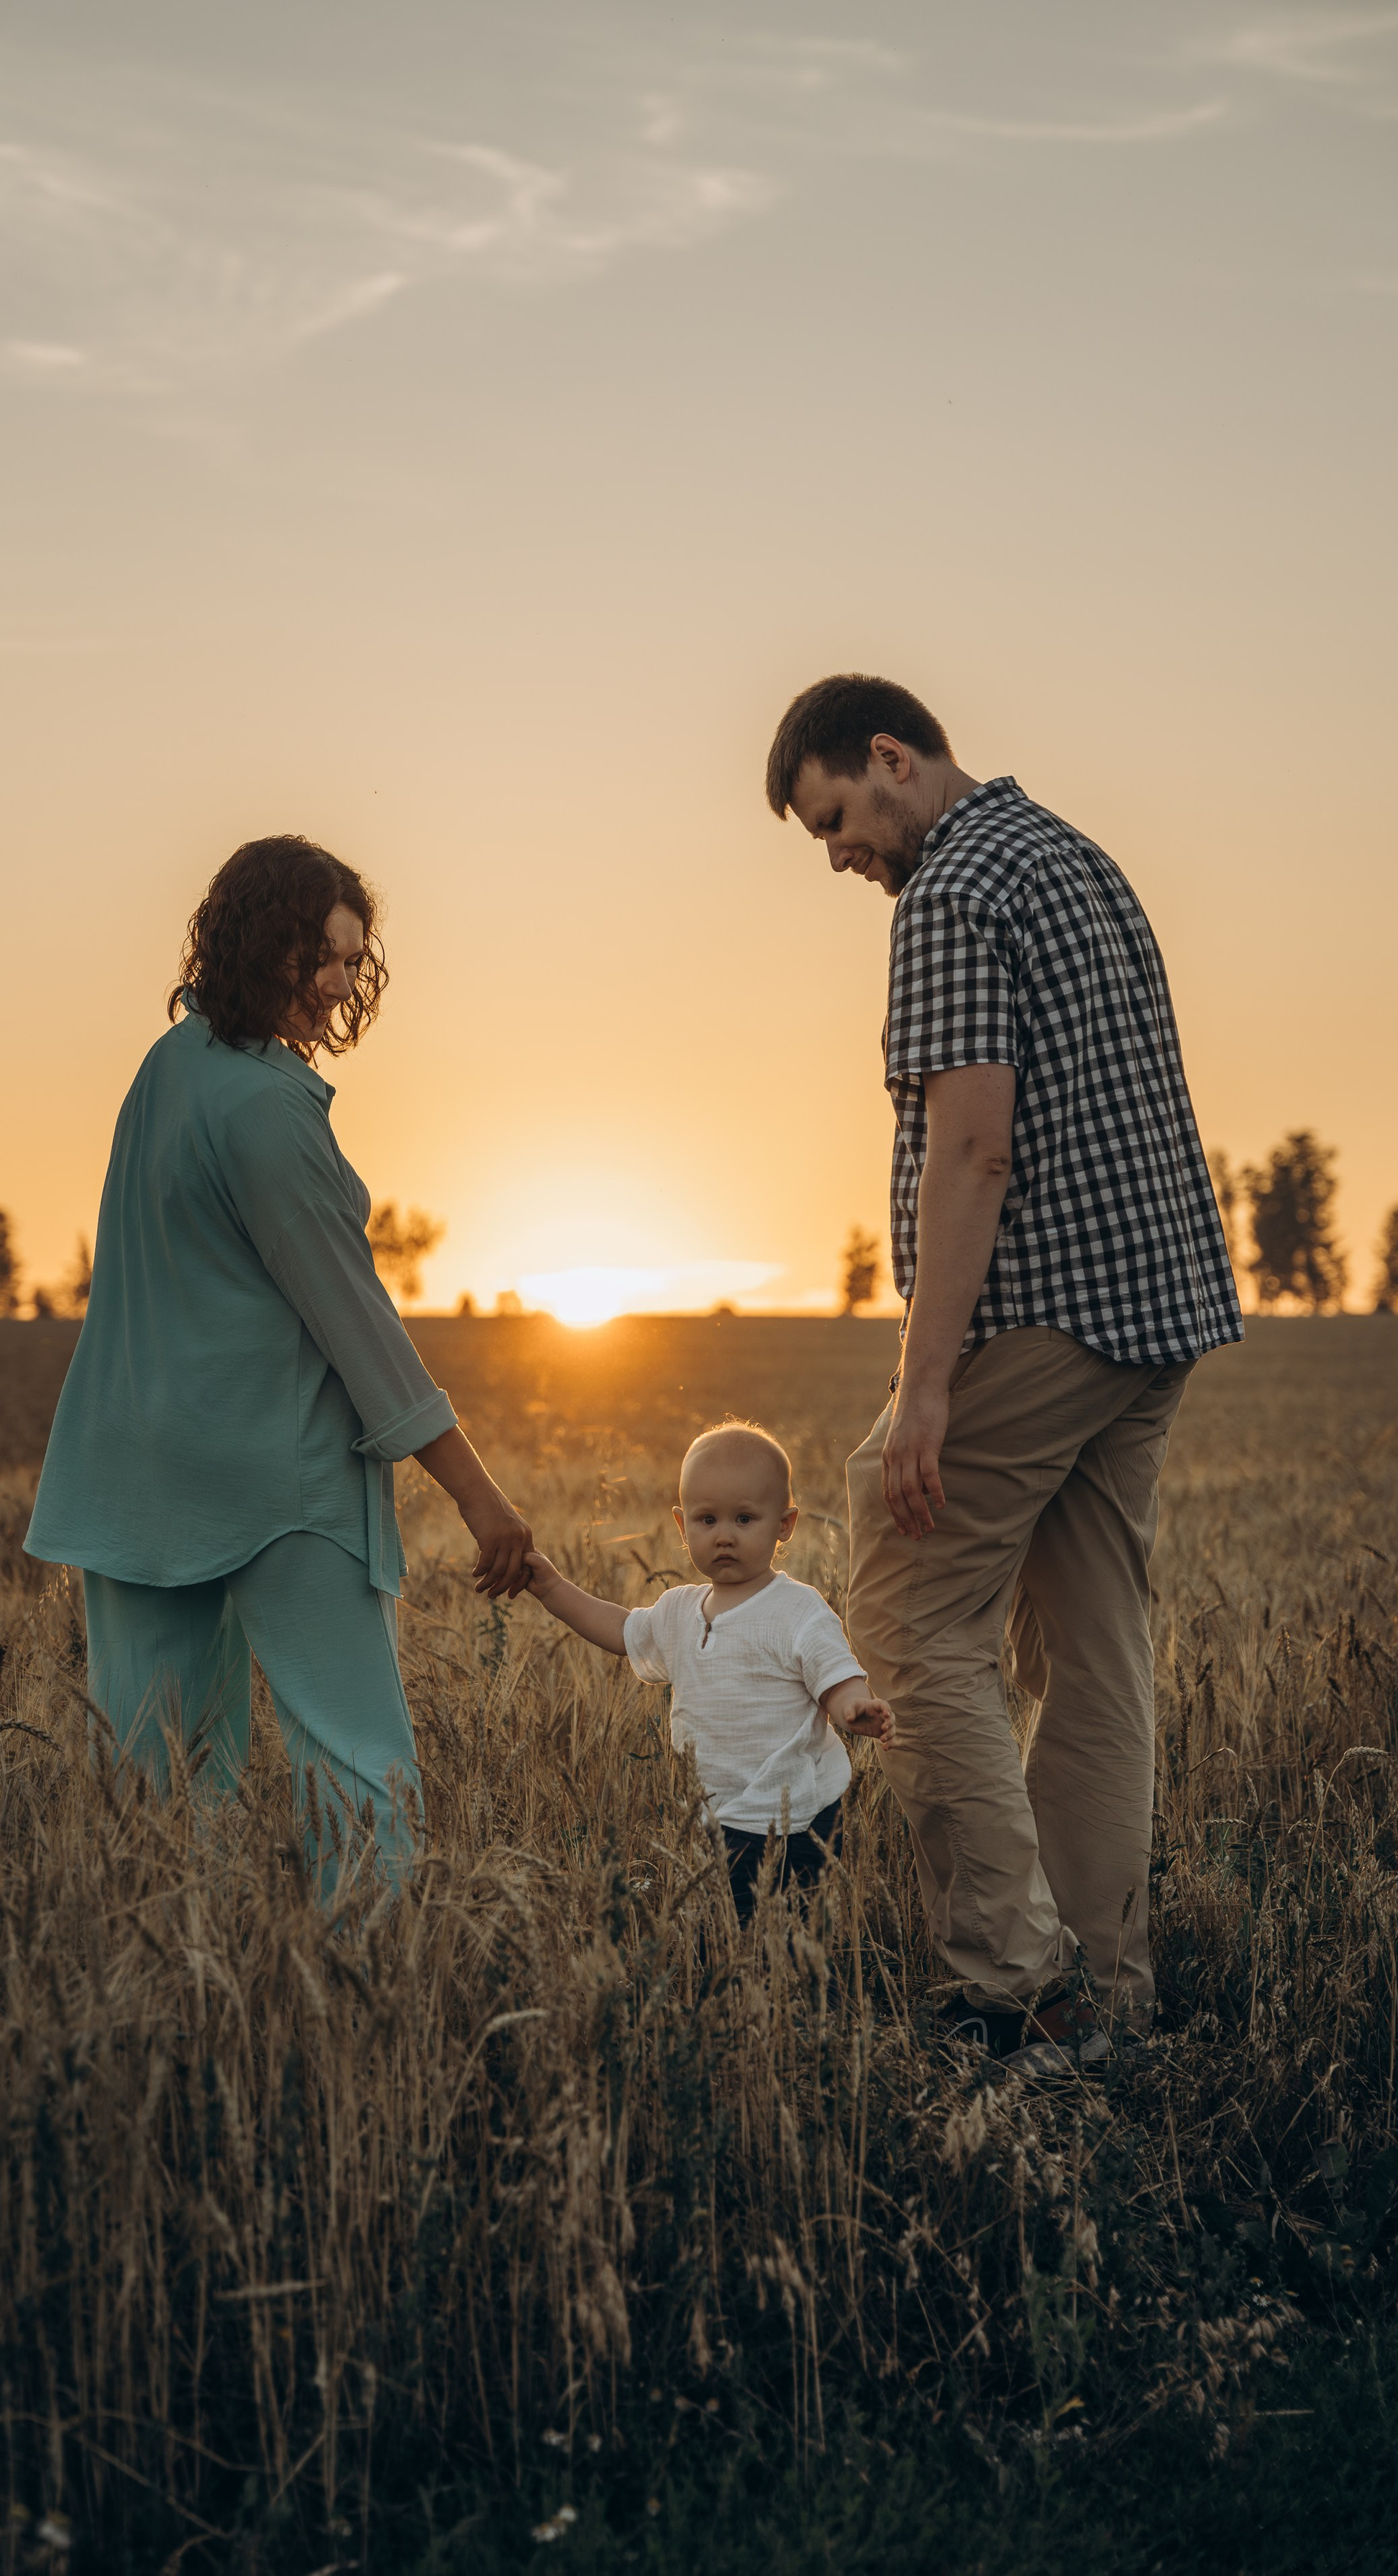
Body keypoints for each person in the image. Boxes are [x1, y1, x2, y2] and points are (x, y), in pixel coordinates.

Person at [767, 675, 1240, 2072]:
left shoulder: (952, 894)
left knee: (908, 1614)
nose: (838, 856)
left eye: (835, 820)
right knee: (1093, 1647)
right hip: (1153, 1309)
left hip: (1040, 1309)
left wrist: (925, 1386)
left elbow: (975, 1147)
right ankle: (1105, 1993)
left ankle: (1014, 1986)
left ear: (892, 757)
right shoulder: (1073, 857)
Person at [24, 834, 533, 1890]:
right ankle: (375, 1970)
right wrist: (478, 1494)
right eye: (322, 958)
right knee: (356, 1757)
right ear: (260, 946)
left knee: (152, 1781)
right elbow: (357, 1326)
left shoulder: (169, 1066)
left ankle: (176, 1972)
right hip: (277, 1472)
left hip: (134, 1465)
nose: (342, 985)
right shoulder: (268, 1107)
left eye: (353, 961)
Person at [524, 1423, 895, 1920]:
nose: (724, 1535)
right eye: (706, 1520)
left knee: (789, 1937)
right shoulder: (677, 1611)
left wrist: (854, 1706)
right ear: (682, 1526)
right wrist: (553, 1589)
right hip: (713, 1819)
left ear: (784, 1524)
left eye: (744, 1519)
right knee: (720, 1937)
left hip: (795, 1819)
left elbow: (835, 1675)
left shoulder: (797, 1609)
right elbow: (619, 1629)